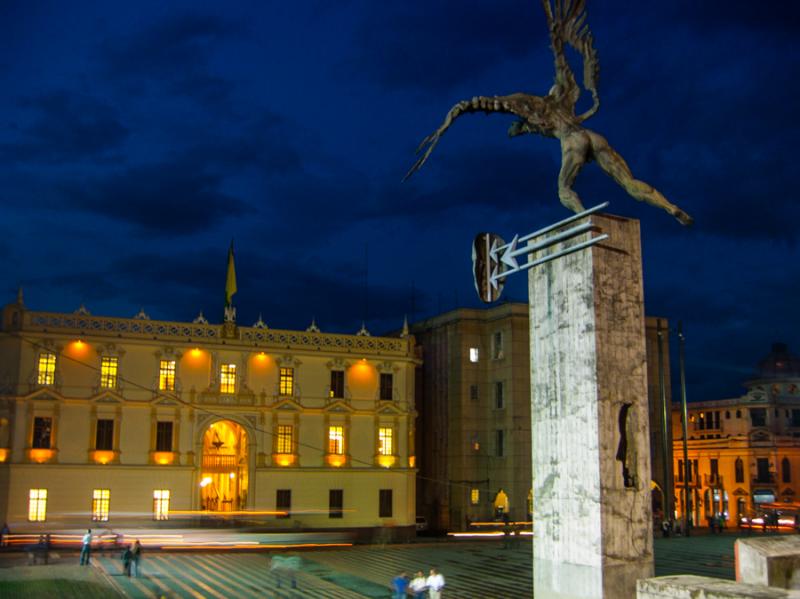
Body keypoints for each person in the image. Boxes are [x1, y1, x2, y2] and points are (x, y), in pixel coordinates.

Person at [402, 1, 693, 228]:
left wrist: (455, 116)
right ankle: (670, 207)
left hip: (572, 140)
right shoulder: (560, 101)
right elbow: (558, 62)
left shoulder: (536, 109)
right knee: (629, 182)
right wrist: (557, 31)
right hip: (593, 136)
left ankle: (584, 221)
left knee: (563, 189)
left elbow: (489, 106)